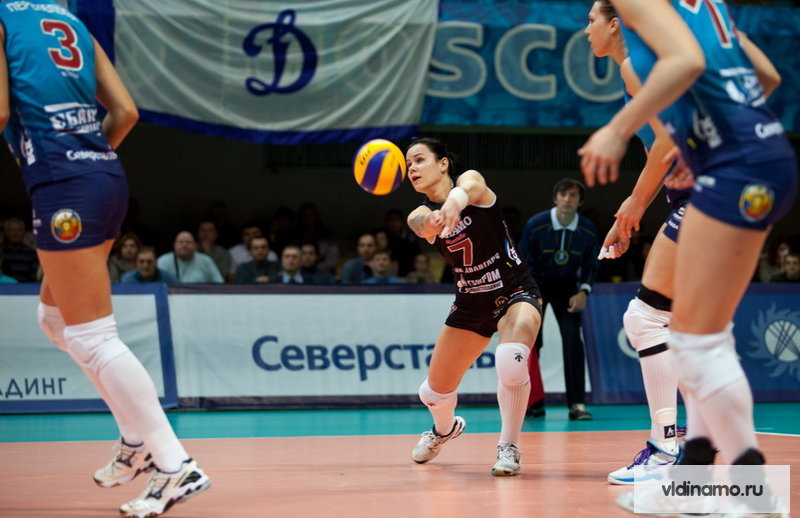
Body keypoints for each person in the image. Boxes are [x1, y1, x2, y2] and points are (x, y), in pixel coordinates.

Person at [579, 0, 797, 512]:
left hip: (733, 173)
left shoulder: (644, 13)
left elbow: (686, 62)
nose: (586, 27)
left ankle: (741, 487)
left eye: (591, 18)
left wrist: (615, 131)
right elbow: (766, 77)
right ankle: (699, 483)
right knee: (700, 337)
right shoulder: (707, 7)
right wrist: (699, 140)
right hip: (767, 158)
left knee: (677, 333)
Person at [0, 2, 210, 517]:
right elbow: (126, 112)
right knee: (53, 319)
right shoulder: (70, 20)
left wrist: (60, 170)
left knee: (92, 336)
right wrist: (85, 163)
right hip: (103, 176)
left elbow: (0, 112)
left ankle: (174, 464)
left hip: (64, 189)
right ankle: (135, 443)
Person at [405, 136, 543, 476]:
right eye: (408, 164)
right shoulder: (420, 212)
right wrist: (433, 221)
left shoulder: (472, 184)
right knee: (432, 392)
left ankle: (508, 446)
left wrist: (454, 203)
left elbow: (470, 186)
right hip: (470, 303)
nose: (412, 168)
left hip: (515, 289)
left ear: (443, 164)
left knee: (510, 362)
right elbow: (419, 224)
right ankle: (444, 430)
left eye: (419, 160)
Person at [518, 178, 599, 421]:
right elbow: (522, 261)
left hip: (568, 288)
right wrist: (526, 294)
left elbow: (591, 265)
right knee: (532, 343)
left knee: (573, 340)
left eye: (573, 195)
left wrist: (584, 291)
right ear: (555, 198)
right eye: (563, 195)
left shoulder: (587, 229)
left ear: (580, 201)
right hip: (537, 285)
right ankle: (533, 402)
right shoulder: (536, 224)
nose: (567, 199)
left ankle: (577, 404)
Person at [158, 231, 224, 283]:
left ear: (195, 245)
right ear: (174, 245)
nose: (184, 245)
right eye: (181, 242)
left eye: (188, 242)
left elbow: (219, 283)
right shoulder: (163, 261)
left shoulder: (206, 260)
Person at [1, 217, 40, 282]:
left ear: (24, 232)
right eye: (12, 230)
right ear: (6, 232)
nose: (15, 233)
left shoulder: (31, 254)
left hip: (26, 287)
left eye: (19, 230)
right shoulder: (1, 252)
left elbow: (34, 279)